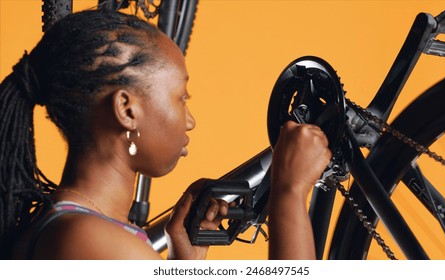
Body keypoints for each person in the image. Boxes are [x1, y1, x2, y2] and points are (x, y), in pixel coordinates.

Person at [0, 10, 331, 260]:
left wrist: (183, 263)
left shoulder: (73, 228)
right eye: (181, 97)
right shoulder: (90, 240)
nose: (190, 121)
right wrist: (289, 193)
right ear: (127, 110)